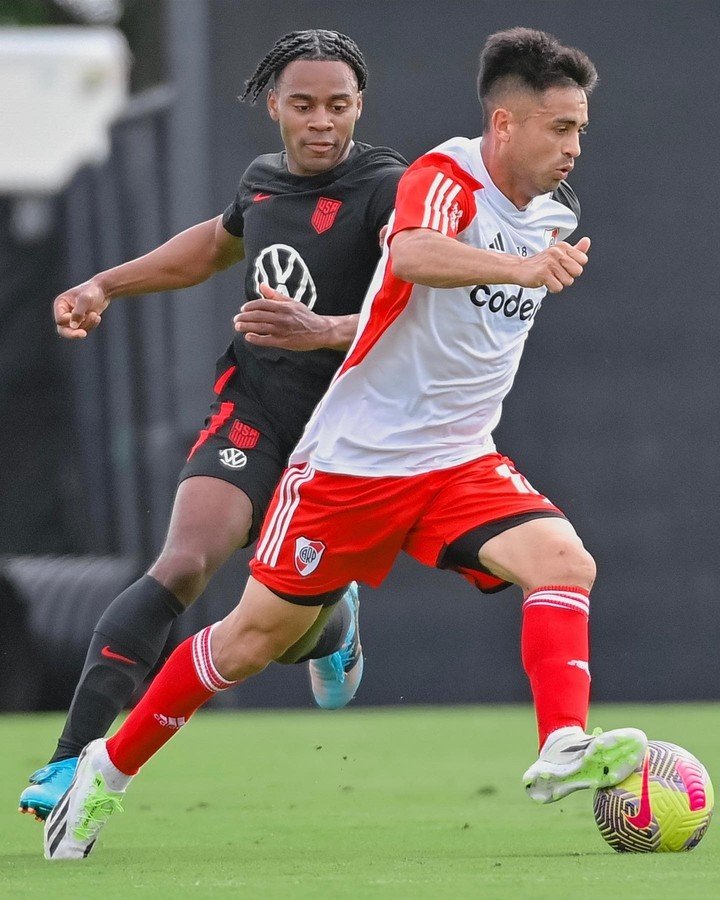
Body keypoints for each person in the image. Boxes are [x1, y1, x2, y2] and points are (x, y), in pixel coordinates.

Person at [44, 27, 649, 861]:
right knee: (251, 641)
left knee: (564, 562)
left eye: (581, 128)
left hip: (459, 458)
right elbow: (411, 253)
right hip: (353, 463)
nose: (576, 146)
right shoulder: (443, 178)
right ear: (504, 125)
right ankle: (103, 772)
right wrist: (517, 269)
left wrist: (515, 266)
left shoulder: (556, 210)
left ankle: (561, 746)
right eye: (561, 128)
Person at [20, 29, 407, 823]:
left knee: (282, 635)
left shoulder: (388, 188)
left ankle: (332, 626)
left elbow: (418, 304)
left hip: (343, 436)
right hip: (253, 408)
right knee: (185, 563)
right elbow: (213, 247)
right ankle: (67, 762)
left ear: (359, 106)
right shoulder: (262, 180)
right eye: (303, 105)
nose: (321, 121)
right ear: (275, 106)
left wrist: (323, 330)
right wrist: (104, 284)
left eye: (338, 105)